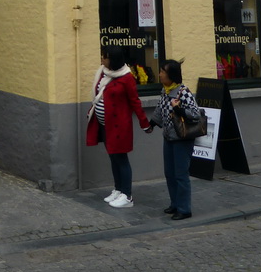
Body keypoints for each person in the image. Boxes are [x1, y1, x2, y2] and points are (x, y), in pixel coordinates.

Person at [86, 44, 152, 209]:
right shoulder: (103, 72)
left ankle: (127, 195)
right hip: (104, 124)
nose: (102, 59)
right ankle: (118, 189)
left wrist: (144, 123)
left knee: (121, 159)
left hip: (119, 126)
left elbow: (135, 101)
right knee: (113, 158)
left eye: (105, 56)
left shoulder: (126, 78)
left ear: (112, 59)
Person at [150, 58, 201, 221]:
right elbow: (160, 108)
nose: (159, 74)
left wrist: (179, 109)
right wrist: (152, 123)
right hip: (169, 137)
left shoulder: (183, 92)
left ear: (171, 75)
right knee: (170, 173)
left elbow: (195, 114)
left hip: (182, 139)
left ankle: (184, 209)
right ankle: (175, 203)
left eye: (162, 72)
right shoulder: (165, 91)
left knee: (180, 174)